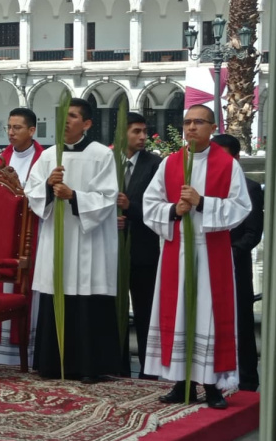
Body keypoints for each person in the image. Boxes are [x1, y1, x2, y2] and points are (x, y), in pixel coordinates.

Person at [142, 105, 251, 409]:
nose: (191, 128)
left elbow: (241, 207)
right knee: (179, 313)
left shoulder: (227, 164)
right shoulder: (170, 164)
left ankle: (213, 386)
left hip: (210, 251)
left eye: (198, 122)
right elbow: (150, 205)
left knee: (208, 316)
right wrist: (172, 211)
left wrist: (203, 203)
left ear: (212, 126)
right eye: (187, 122)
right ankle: (182, 384)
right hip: (176, 250)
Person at [25, 98, 120, 382]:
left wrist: (74, 196)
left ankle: (90, 367)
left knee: (86, 296)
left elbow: (108, 197)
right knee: (57, 289)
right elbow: (31, 194)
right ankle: (52, 365)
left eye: (74, 116)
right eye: (63, 115)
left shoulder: (101, 155)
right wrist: (47, 187)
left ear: (87, 124)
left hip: (88, 240)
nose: (66, 121)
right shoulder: (48, 156)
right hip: (56, 237)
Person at [0, 108, 44, 366]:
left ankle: (29, 353)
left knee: (27, 286)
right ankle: (0, 354)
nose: (11, 133)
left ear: (32, 130)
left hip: (31, 234)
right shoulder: (1, 158)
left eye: (17, 128)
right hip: (3, 236)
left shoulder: (44, 159)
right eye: (9, 127)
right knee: (1, 284)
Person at [212, 133, 264, 392]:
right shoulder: (205, 186)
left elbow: (252, 233)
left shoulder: (251, 187)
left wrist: (228, 254)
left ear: (236, 158)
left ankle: (247, 378)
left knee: (242, 321)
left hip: (235, 266)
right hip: (208, 265)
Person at [117, 112, 162, 379]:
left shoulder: (155, 165)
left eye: (144, 131)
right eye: (136, 131)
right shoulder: (107, 163)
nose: (143, 136)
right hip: (112, 250)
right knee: (115, 311)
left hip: (144, 251)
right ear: (123, 133)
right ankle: (119, 366)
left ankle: (149, 370)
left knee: (146, 312)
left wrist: (130, 209)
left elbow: (160, 207)